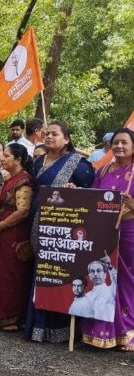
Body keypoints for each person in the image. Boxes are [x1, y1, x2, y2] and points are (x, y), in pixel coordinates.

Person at [24, 120, 95, 343]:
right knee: (40, 271)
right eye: (47, 133)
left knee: (57, 273)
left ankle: (59, 328)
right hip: (37, 221)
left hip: (62, 227)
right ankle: (37, 325)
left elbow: (90, 194)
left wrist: (75, 191)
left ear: (67, 139)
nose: (49, 137)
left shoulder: (79, 164)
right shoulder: (38, 161)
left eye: (54, 134)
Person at [82, 128, 134, 350]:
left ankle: (127, 333)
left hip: (129, 232)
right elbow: (91, 198)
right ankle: (100, 333)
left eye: (124, 142)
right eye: (116, 142)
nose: (119, 146)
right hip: (103, 233)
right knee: (103, 280)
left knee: (125, 281)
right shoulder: (103, 171)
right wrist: (73, 191)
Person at [0, 143, 33, 330]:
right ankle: (0, 316)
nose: (2, 159)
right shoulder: (10, 178)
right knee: (1, 273)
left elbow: (23, 211)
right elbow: (2, 203)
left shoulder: (24, 181)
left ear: (18, 160)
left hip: (14, 234)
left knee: (11, 275)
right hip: (4, 234)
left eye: (6, 156)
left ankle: (12, 317)